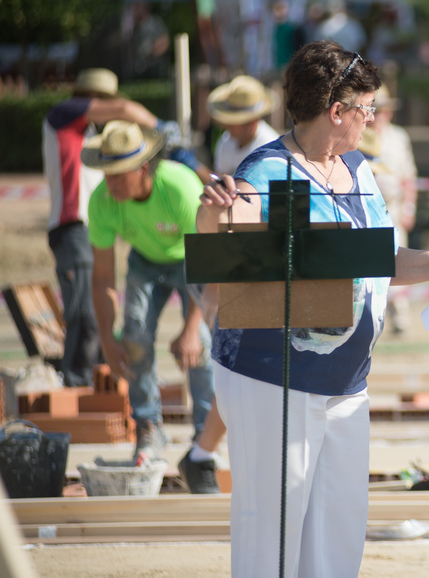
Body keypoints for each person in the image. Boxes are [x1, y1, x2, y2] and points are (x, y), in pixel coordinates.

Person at [196, 40, 429, 578]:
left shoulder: (359, 169)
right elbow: (228, 256)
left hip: (345, 382)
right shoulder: (266, 173)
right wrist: (215, 216)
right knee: (272, 537)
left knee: (337, 532)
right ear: (337, 111)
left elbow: (378, 258)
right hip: (274, 379)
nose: (373, 119)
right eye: (367, 108)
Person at [173, 74, 284, 494]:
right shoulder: (228, 144)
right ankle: (207, 453)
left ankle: (205, 452)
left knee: (248, 368)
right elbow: (223, 203)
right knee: (239, 367)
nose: (229, 126)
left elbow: (244, 210)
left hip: (256, 254)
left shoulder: (266, 149)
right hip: (236, 253)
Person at [83, 121, 215, 464]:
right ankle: (149, 426)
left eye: (117, 174)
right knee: (134, 337)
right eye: (105, 173)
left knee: (199, 342)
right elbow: (102, 279)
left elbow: (210, 267)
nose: (108, 183)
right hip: (145, 260)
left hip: (193, 260)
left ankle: (204, 438)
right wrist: (107, 341)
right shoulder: (102, 202)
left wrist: (188, 331)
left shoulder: (180, 188)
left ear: (143, 168)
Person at [43, 69, 158, 387]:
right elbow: (125, 111)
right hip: (71, 225)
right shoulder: (65, 113)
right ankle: (77, 383)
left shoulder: (86, 131)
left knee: (92, 309)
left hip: (83, 227)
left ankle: (92, 381)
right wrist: (160, 128)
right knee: (83, 312)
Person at [362, 84, 418, 334]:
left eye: (383, 110)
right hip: (364, 207)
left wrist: (409, 208)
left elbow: (409, 176)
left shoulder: (399, 137)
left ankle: (400, 316)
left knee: (398, 256)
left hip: (392, 206)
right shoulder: (359, 134)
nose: (380, 115)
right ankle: (374, 315)